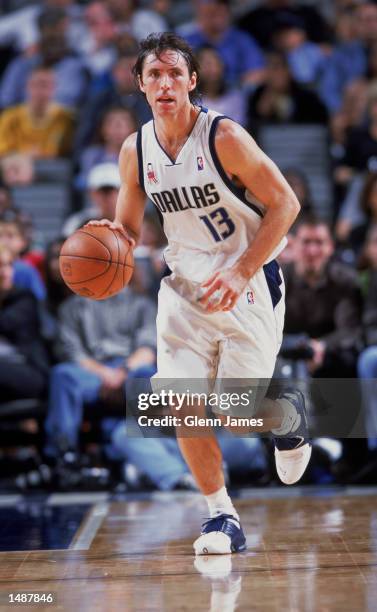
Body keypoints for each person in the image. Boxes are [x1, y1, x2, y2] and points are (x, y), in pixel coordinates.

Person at [87, 32, 311, 556]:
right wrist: (110, 242)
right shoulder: (134, 149)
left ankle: (289, 420)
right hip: (184, 288)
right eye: (154, 74)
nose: (164, 83)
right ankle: (221, 518)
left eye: (174, 73)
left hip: (247, 282)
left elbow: (286, 205)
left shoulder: (224, 136)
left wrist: (239, 270)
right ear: (139, 84)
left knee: (234, 411)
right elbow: (129, 228)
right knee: (181, 402)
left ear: (192, 81)